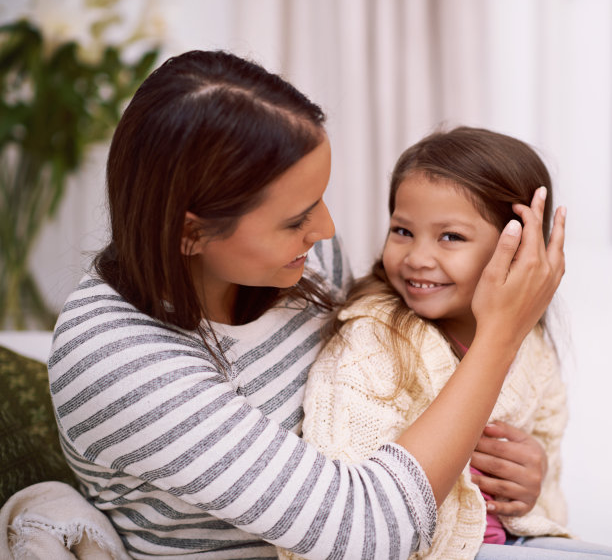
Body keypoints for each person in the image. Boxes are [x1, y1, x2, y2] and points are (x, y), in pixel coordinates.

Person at [48, 51, 565, 559]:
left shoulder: (300, 259)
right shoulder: (119, 361)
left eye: (320, 197)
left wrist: (517, 474)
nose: (326, 230)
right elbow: (364, 534)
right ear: (190, 233)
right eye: (295, 219)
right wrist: (501, 336)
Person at [279, 127, 612, 559]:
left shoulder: (531, 342)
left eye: (450, 237)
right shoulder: (374, 340)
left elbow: (545, 446)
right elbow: (343, 497)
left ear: (523, 249)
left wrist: (533, 480)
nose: (417, 257)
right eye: (402, 230)